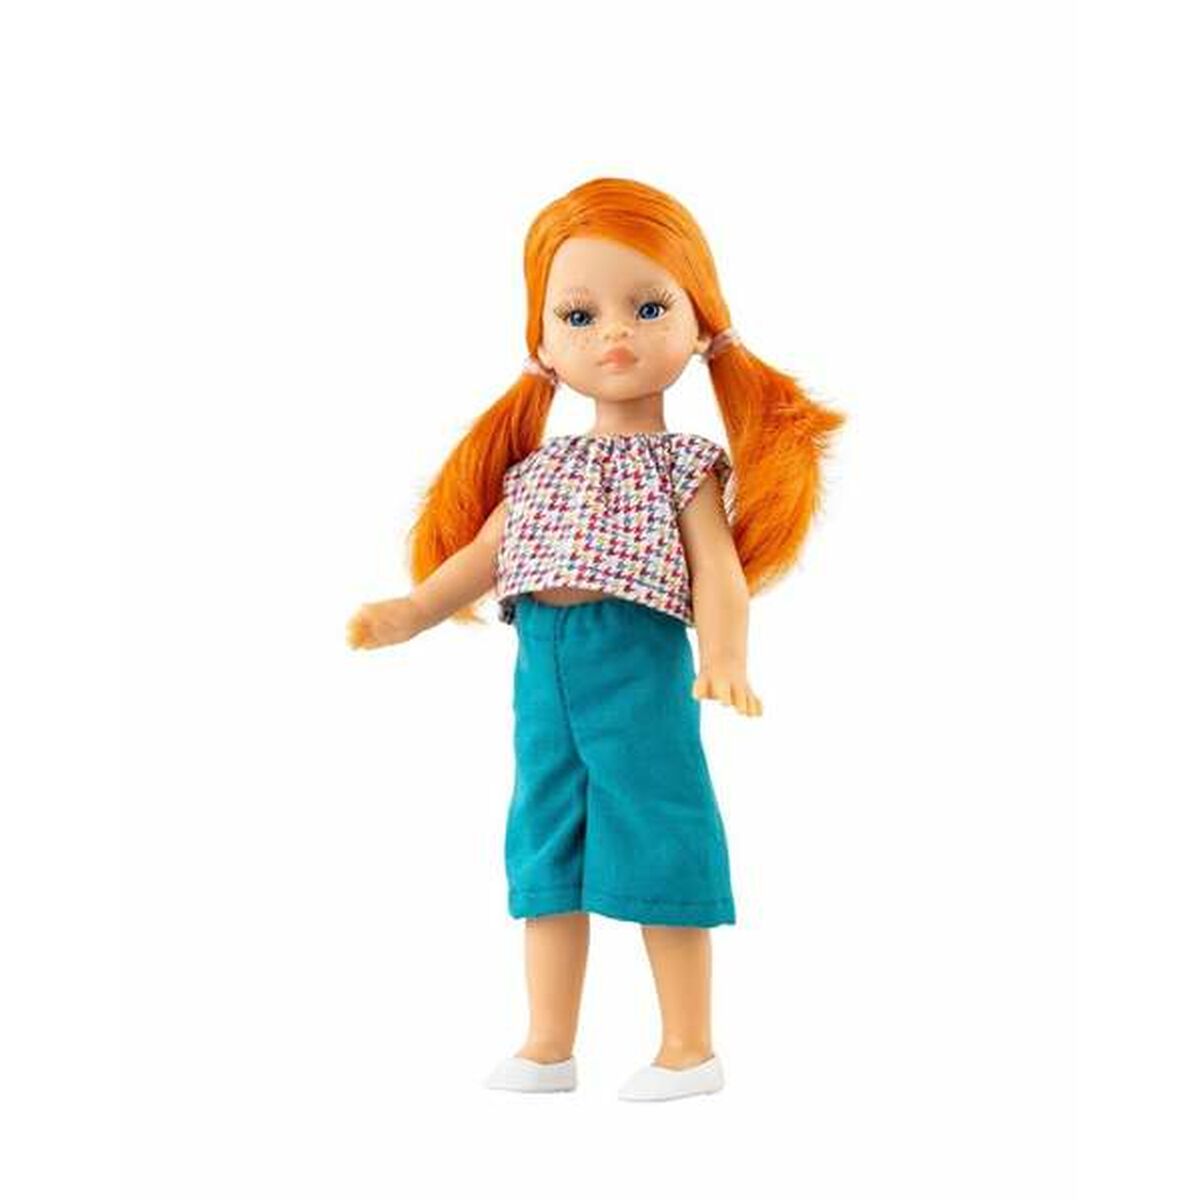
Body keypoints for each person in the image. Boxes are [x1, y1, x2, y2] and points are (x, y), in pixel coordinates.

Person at [346, 177, 845, 1101]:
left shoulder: (683, 463)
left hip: (635, 655)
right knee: (545, 838)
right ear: (542, 341)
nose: (613, 334)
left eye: (649, 308)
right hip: (542, 663)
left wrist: (724, 656)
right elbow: (484, 557)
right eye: (579, 316)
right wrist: (413, 611)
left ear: (699, 324)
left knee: (661, 823)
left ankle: (689, 1047)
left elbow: (717, 572)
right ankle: (549, 1043)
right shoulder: (538, 467)